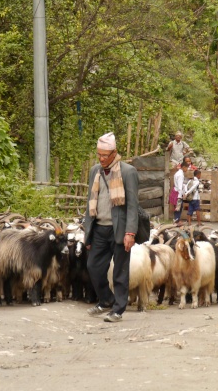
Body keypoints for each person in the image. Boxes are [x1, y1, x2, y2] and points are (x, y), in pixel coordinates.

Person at [84, 132, 139, 323]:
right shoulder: (95, 171)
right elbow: (90, 200)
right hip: (99, 227)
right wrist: (88, 233)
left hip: (120, 229)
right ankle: (106, 299)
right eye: (99, 154)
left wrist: (130, 232)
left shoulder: (128, 171)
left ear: (114, 152)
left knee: (120, 271)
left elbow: (133, 205)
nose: (101, 158)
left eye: (105, 155)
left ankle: (118, 310)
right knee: (93, 267)